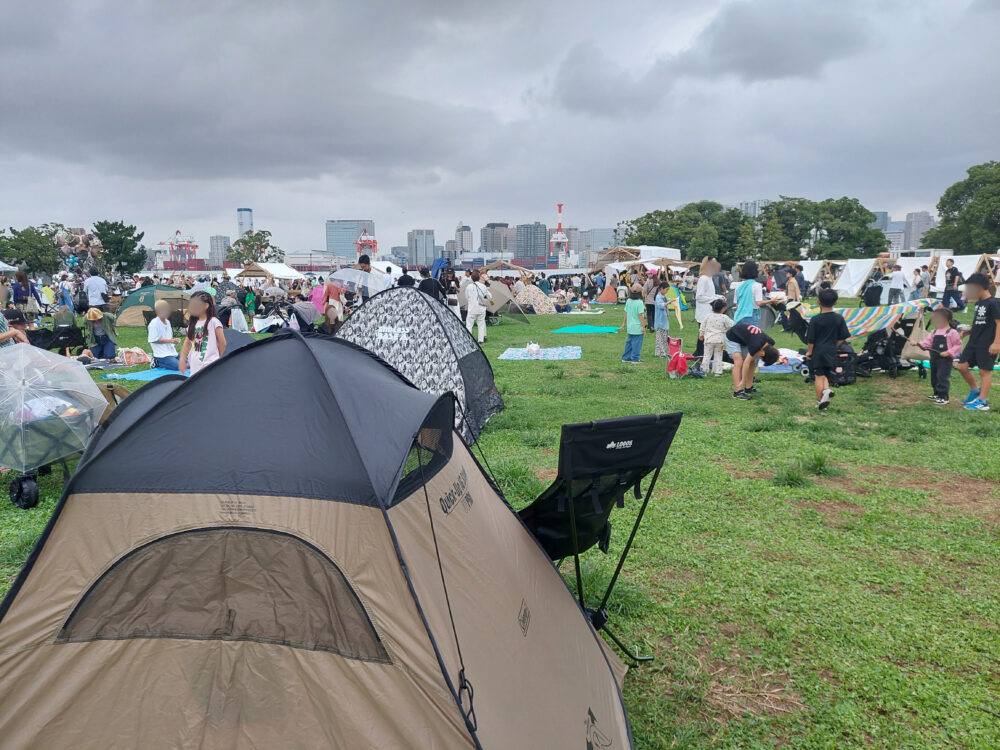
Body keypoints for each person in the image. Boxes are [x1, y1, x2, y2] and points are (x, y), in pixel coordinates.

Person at [956, 273, 1000, 411]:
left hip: (987, 343)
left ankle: (983, 401)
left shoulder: (993, 303)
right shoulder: (979, 303)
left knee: (984, 371)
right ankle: (975, 391)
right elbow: (979, 322)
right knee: (961, 366)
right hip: (973, 341)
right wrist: (968, 331)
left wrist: (996, 343)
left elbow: (999, 323)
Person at [805, 288, 850, 410]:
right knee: (826, 374)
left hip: (818, 351)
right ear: (835, 302)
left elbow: (811, 340)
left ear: (818, 302)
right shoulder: (839, 318)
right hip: (831, 350)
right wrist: (835, 345)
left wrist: (809, 352)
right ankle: (826, 391)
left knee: (818, 376)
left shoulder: (815, 320)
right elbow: (843, 336)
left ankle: (820, 401)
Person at [916, 308, 962, 405]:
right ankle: (936, 393)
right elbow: (927, 343)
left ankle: (943, 396)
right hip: (934, 358)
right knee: (934, 376)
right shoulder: (934, 332)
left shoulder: (952, 332)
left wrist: (949, 352)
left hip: (945, 360)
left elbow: (958, 345)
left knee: (942, 377)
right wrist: (917, 343)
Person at [725, 321, 780, 400]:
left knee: (752, 361)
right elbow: (746, 364)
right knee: (739, 362)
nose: (759, 357)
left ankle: (748, 388)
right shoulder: (756, 345)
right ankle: (737, 391)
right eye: (761, 358)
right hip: (732, 337)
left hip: (743, 339)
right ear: (763, 354)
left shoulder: (770, 342)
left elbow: (774, 352)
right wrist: (742, 381)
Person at [179, 291, 226, 375]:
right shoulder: (192, 324)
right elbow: (187, 343)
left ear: (206, 306)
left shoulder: (214, 322)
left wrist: (217, 358)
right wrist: (182, 359)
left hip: (210, 363)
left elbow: (222, 343)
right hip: (194, 363)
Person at [733, 261, 778, 325]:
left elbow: (737, 305)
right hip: (750, 315)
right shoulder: (756, 285)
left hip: (738, 317)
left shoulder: (738, 287)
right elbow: (758, 303)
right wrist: (771, 301)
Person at [699, 298, 733, 376]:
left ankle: (704, 370)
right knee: (718, 356)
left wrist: (701, 334)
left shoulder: (708, 316)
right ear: (723, 308)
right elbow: (731, 324)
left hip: (709, 340)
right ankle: (718, 372)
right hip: (720, 340)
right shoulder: (724, 317)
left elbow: (702, 326)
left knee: (707, 355)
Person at [694, 258, 718, 357]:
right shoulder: (703, 279)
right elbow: (699, 296)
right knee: (703, 334)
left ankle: (702, 353)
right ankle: (700, 354)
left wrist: (717, 297)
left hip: (708, 311)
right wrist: (713, 299)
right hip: (704, 312)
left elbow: (709, 294)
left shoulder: (709, 278)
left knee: (706, 334)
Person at [147, 299, 181, 370]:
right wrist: (171, 341)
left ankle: (170, 361)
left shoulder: (168, 322)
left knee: (189, 364)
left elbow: (168, 338)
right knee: (179, 366)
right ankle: (157, 362)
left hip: (172, 352)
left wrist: (174, 341)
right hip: (162, 355)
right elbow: (153, 340)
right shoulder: (154, 324)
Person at [619, 285, 646, 363]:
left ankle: (626, 357)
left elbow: (626, 312)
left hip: (630, 326)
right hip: (637, 327)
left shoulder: (628, 301)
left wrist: (623, 323)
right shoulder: (640, 302)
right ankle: (635, 359)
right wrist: (643, 326)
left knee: (629, 343)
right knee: (637, 344)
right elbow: (640, 315)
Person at [464, 270, 492, 343]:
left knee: (469, 324)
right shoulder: (483, 286)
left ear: (471, 278)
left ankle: (468, 340)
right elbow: (489, 296)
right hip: (481, 307)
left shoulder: (469, 287)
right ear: (479, 277)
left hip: (472, 308)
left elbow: (467, 297)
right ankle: (481, 339)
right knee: (481, 324)